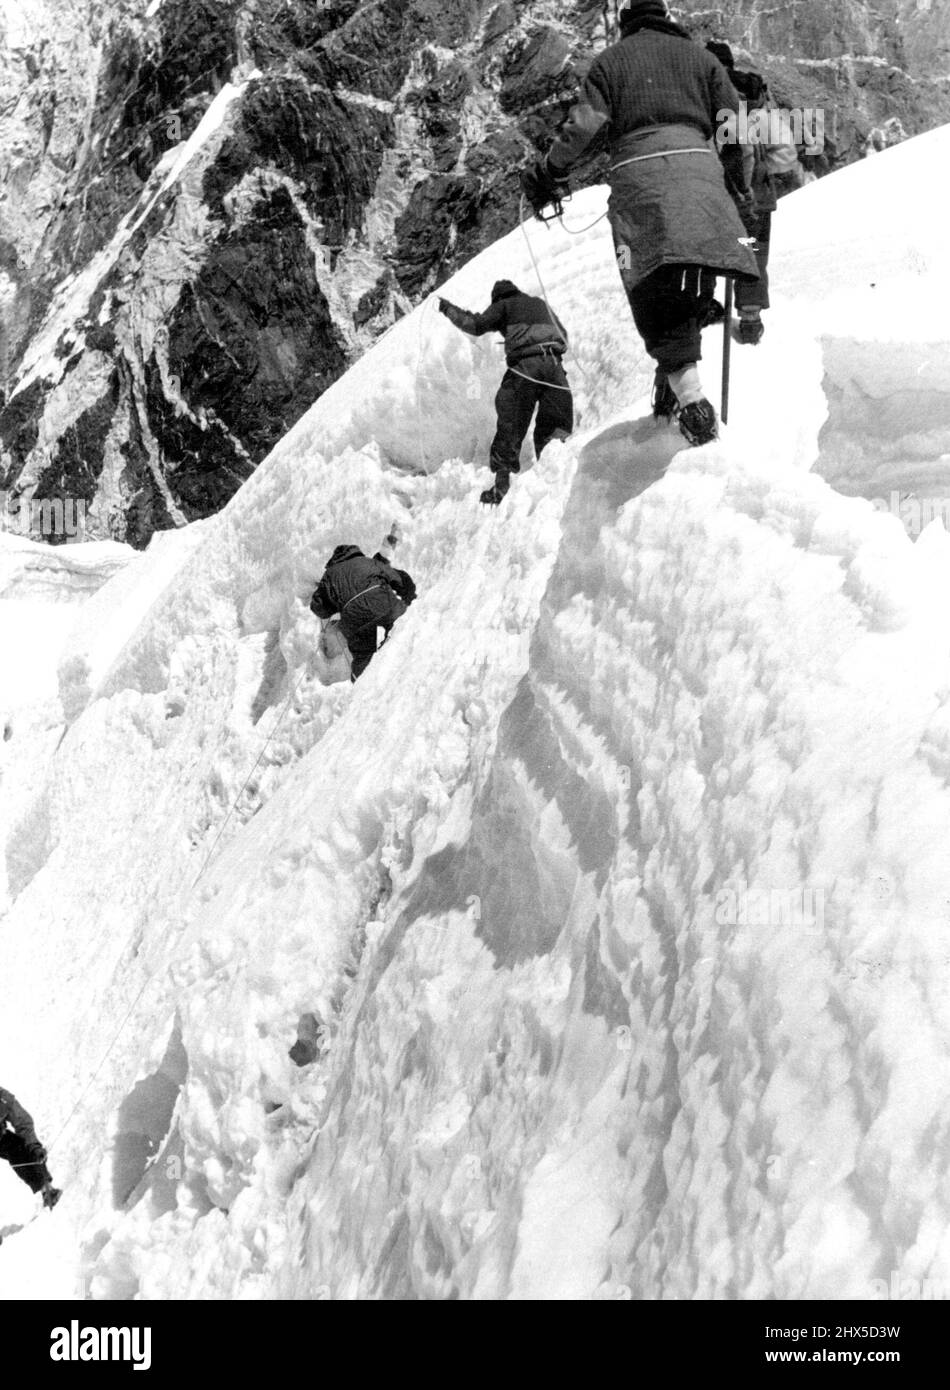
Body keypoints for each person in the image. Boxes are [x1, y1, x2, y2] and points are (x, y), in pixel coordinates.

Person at [521, 0, 759, 445]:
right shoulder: (702, 60)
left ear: (626, 21)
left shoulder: (611, 63)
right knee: (695, 268)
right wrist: (739, 190)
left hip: (642, 188)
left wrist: (551, 170)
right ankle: (674, 385)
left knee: (653, 287)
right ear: (665, 16)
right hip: (701, 180)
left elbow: (584, 127)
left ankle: (691, 402)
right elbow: (736, 132)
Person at [438, 280, 573, 505]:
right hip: (554, 366)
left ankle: (502, 487)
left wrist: (448, 309)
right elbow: (564, 335)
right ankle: (555, 481)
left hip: (525, 367)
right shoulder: (538, 303)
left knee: (511, 419)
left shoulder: (504, 304)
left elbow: (476, 325)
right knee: (555, 427)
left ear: (498, 298)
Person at [707, 41, 791, 345]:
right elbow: (786, 154)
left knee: (704, 252)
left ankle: (704, 310)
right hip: (757, 199)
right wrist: (763, 171)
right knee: (752, 252)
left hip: (713, 196)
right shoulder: (756, 100)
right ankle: (751, 322)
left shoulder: (703, 96)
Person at [310, 544, 416, 680]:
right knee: (400, 626)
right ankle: (397, 653)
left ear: (334, 559)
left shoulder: (329, 575)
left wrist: (336, 604)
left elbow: (319, 608)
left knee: (363, 657)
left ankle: (362, 688)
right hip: (383, 602)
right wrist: (409, 597)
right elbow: (399, 578)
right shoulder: (369, 562)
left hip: (354, 617)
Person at [0, 1086, 60, 1208]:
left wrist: (34, 1147)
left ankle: (47, 1190)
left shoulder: (2, 1098)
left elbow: (23, 1123)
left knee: (16, 1146)